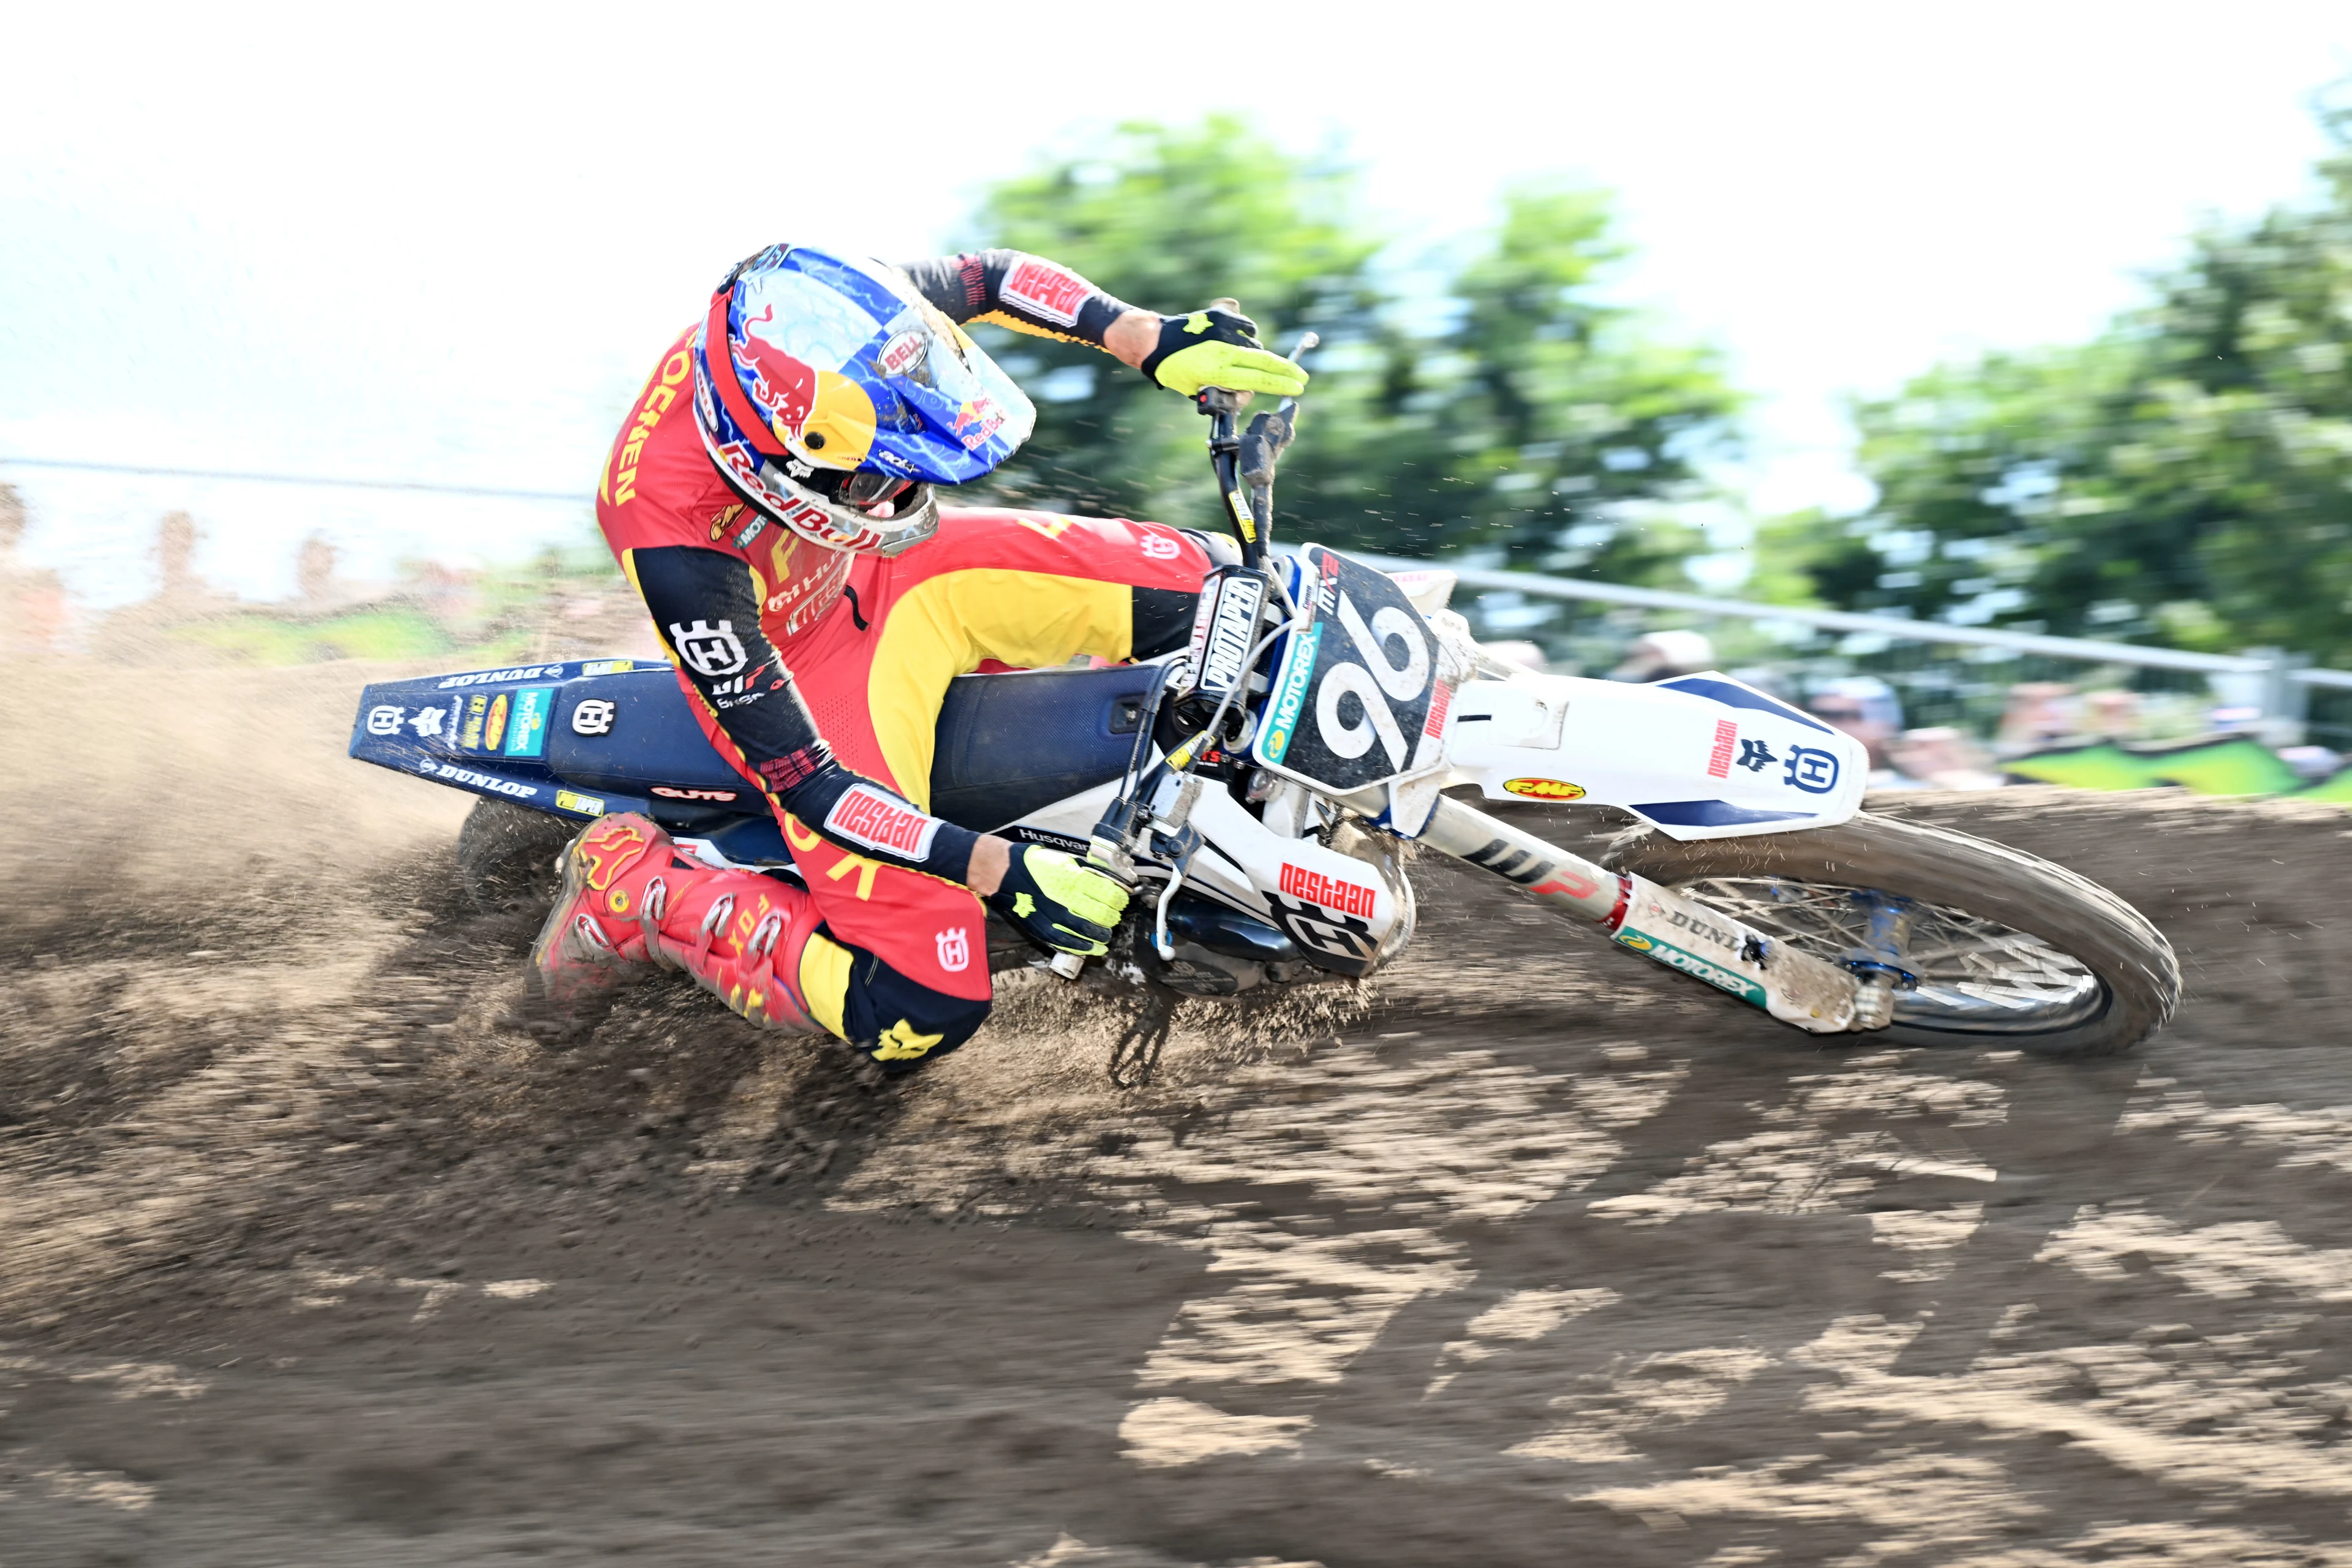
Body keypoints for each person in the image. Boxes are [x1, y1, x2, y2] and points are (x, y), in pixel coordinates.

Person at [538, 244, 1307, 1070]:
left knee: (1222, 589)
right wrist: (996, 869)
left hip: (904, 569)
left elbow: (987, 279)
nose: (902, 485)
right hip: (802, 674)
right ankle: (639, 894)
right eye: (877, 479)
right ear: (774, 465)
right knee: (919, 1006)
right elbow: (810, 782)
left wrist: (1141, 335)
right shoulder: (668, 534)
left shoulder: (817, 321)